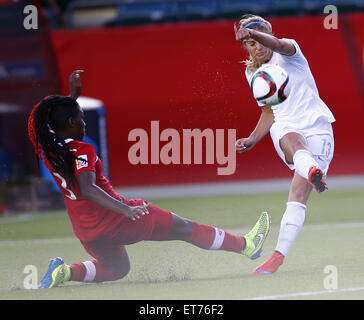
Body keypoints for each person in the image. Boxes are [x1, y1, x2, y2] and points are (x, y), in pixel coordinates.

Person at [28, 70, 271, 288]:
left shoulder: (46, 149)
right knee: (185, 228)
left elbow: (39, 116)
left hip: (86, 229)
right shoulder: (83, 150)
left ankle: (65, 272)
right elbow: (88, 189)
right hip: (115, 218)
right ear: (71, 123)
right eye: (80, 117)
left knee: (117, 269)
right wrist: (124, 209)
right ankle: (246, 245)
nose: (83, 122)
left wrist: (71, 97)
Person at [234, 14, 335, 274]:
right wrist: (252, 139)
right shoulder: (252, 72)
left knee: (297, 196)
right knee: (287, 133)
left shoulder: (289, 50)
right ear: (245, 47)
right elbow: (269, 111)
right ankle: (312, 169)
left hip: (319, 128)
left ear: (268, 35)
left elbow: (278, 45)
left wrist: (254, 33)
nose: (257, 46)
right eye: (251, 42)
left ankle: (277, 257)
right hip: (288, 129)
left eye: (260, 37)